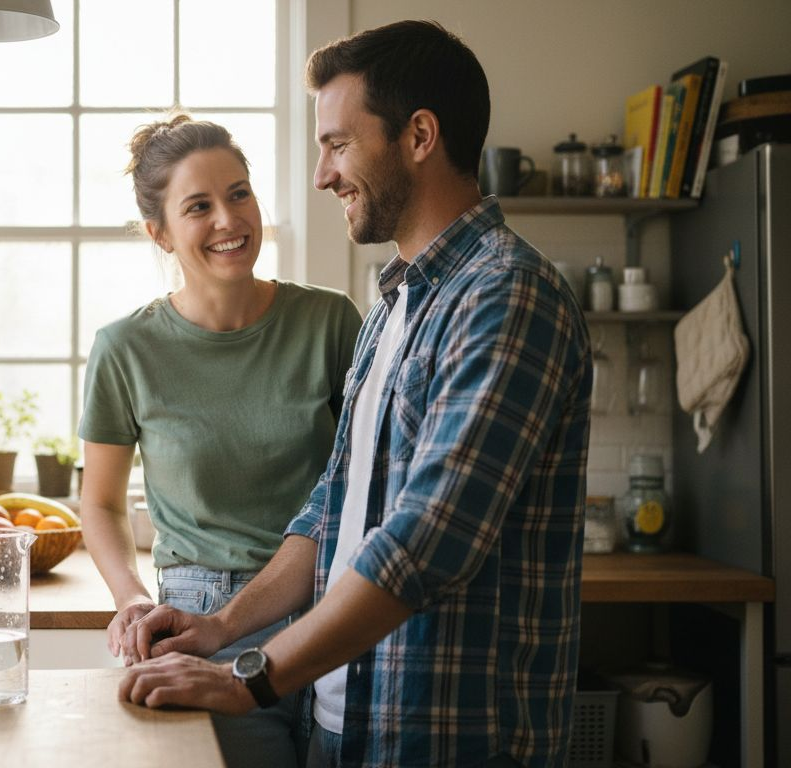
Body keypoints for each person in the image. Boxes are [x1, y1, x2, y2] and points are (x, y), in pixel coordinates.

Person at [116, 20, 592, 768]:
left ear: (419, 136)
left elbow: (427, 543)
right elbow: (334, 508)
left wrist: (252, 678)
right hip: (349, 720)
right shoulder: (396, 303)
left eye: (338, 144)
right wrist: (222, 627)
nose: (321, 175)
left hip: (446, 736)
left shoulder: (506, 295)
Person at [79, 113, 364, 768]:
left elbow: (361, 479)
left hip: (332, 606)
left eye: (239, 193)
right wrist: (130, 598)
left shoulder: (329, 322)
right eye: (198, 206)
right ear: (161, 233)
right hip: (200, 624)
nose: (229, 220)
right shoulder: (125, 350)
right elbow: (98, 502)